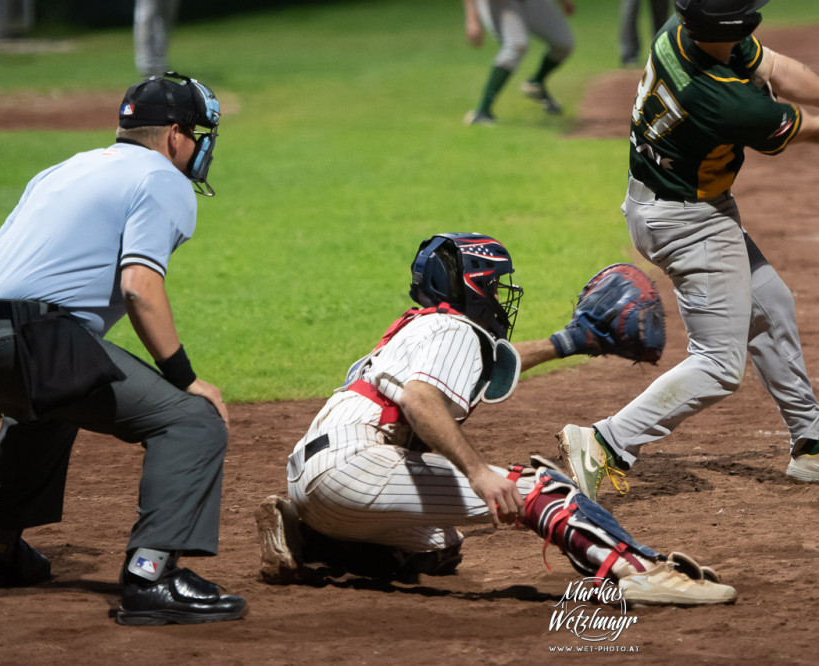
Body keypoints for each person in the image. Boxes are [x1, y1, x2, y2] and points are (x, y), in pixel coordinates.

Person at [558, 0, 819, 499]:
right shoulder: (721, 97)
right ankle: (604, 441)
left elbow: (778, 69)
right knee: (719, 364)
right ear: (735, 26)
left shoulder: (682, 33)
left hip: (664, 204)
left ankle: (810, 446)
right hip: (689, 221)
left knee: (771, 306)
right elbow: (804, 128)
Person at [254, 232, 735, 607]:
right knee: (542, 489)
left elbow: (491, 365)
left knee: (439, 547)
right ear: (474, 286)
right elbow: (422, 400)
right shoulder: (456, 329)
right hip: (356, 469)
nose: (503, 296)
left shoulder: (420, 330)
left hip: (313, 482)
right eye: (496, 284)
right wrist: (479, 473)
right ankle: (640, 573)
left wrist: (570, 341)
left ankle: (309, 539)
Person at [0, 72, 247, 626]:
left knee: (61, 389)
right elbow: (138, 287)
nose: (199, 148)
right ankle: (153, 576)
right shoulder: (162, 179)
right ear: (175, 135)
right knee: (192, 421)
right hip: (20, 336)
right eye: (197, 135)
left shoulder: (64, 168)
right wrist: (185, 377)